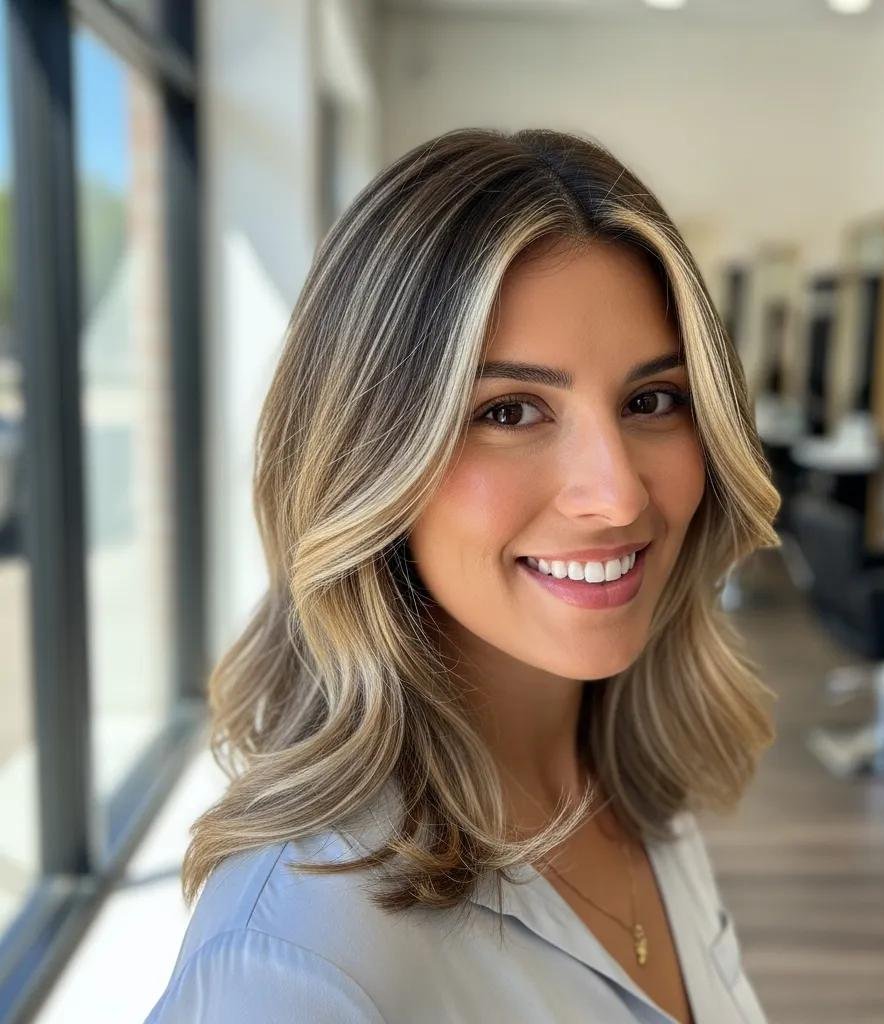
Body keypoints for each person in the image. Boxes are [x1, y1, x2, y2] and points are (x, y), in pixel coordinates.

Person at [144, 127, 780, 1024]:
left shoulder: (626, 773)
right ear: (370, 458)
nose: (615, 493)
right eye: (509, 410)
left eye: (651, 401)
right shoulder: (293, 968)